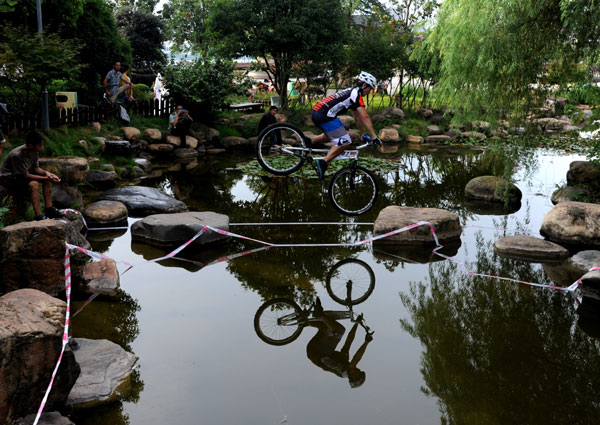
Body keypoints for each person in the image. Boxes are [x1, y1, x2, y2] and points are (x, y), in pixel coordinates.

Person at [310, 71, 381, 180]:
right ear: (364, 85)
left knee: (331, 136)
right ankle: (324, 162)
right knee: (345, 141)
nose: (369, 92)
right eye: (370, 89)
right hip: (325, 115)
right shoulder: (356, 94)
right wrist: (374, 136)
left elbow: (357, 117)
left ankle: (308, 141)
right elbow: (365, 116)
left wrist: (363, 133)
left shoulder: (351, 92)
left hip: (317, 112)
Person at [306, 301, 373, 388]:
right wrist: (356, 324)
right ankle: (304, 321)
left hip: (316, 353)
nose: (357, 370)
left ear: (351, 377)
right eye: (359, 372)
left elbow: (356, 358)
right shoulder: (345, 360)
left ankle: (319, 315)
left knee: (339, 331)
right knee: (327, 326)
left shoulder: (343, 371)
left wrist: (366, 342)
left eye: (356, 374)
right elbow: (349, 341)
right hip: (315, 350)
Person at [0, 131, 65, 221]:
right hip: (8, 177)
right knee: (34, 184)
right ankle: (38, 216)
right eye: (40, 146)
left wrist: (47, 174)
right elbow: (25, 176)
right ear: (30, 146)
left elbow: (36, 168)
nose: (42, 148)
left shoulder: (34, 151)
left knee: (47, 181)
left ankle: (49, 209)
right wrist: (46, 177)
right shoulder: (17, 155)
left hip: (21, 174)